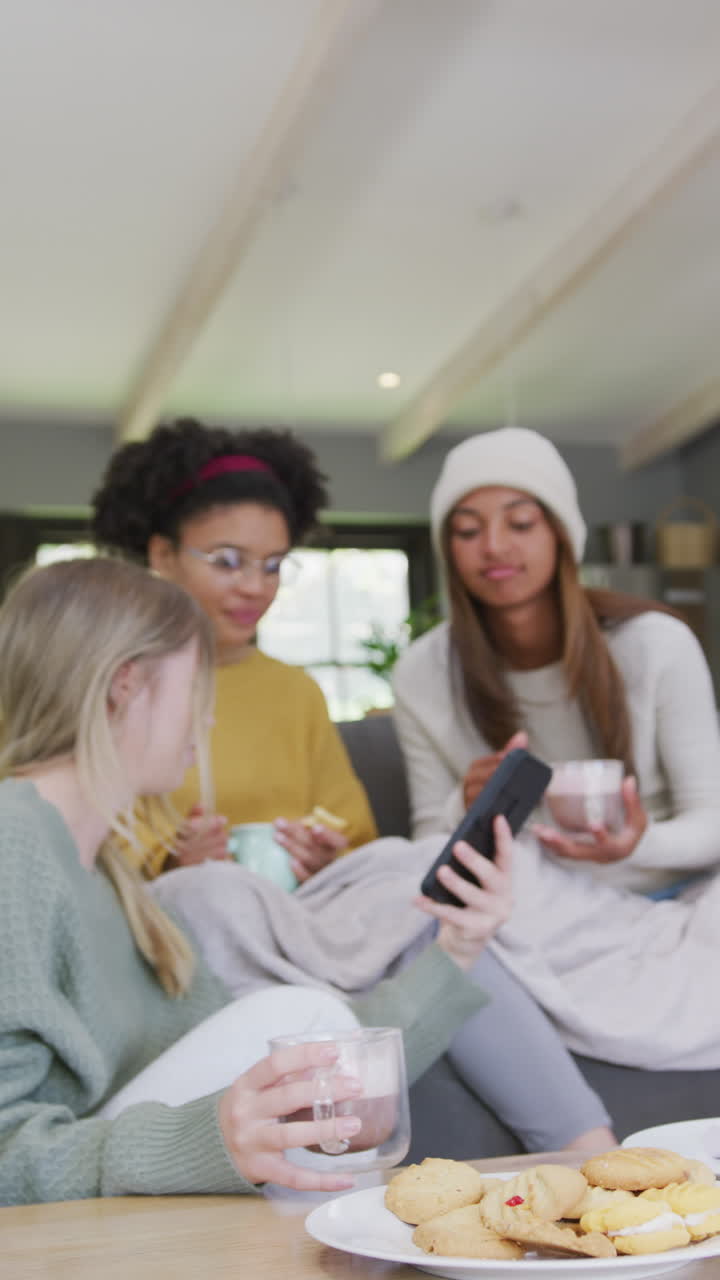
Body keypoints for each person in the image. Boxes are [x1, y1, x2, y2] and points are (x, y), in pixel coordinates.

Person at [0, 557, 517, 1205]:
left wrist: (458, 949)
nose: (206, 723)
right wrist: (200, 1139)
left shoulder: (113, 878)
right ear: (125, 686)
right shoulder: (12, 841)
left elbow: (338, 1072)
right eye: (196, 693)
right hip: (58, 1228)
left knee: (316, 1043)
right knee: (305, 1019)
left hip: (112, 1199)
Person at [393, 425, 720, 897]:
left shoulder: (656, 643)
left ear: (562, 535)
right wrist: (463, 808)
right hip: (525, 911)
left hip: (668, 898)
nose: (495, 547)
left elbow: (712, 823)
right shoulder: (422, 672)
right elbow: (428, 844)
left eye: (521, 523)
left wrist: (637, 845)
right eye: (467, 530)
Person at [91, 418, 378, 883]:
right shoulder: (107, 682)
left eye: (273, 565)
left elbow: (358, 837)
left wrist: (328, 859)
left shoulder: (295, 693)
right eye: (227, 561)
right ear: (163, 555)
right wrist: (164, 862)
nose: (255, 587)